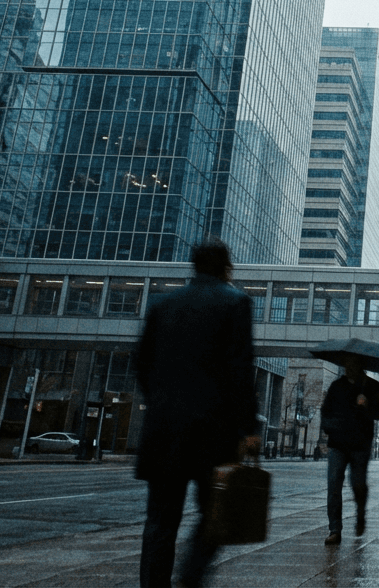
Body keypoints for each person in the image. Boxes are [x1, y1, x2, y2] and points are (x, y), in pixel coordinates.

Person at [135, 238, 259, 588]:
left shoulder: (163, 305)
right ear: (227, 267)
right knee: (215, 514)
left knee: (160, 520)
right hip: (213, 432)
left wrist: (161, 402)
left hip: (163, 430)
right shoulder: (236, 303)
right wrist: (248, 428)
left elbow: (142, 363)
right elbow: (240, 372)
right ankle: (190, 578)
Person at [320, 355, 379, 545]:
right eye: (347, 364)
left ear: (361, 366)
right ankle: (335, 529)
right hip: (337, 444)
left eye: (354, 364)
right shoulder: (337, 386)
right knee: (334, 486)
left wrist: (367, 405)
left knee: (358, 484)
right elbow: (325, 411)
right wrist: (330, 428)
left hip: (360, 445)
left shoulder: (372, 386)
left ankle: (360, 513)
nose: (350, 367)